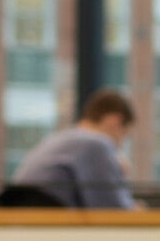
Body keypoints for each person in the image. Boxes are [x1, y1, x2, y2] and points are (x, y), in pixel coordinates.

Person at [8, 89, 136, 208]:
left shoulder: (63, 137)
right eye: (124, 135)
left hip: (18, 209)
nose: (120, 145)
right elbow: (111, 207)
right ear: (115, 121)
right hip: (44, 212)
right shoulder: (97, 143)